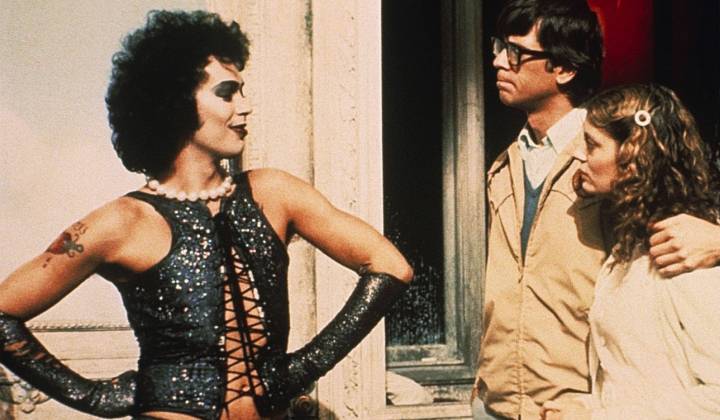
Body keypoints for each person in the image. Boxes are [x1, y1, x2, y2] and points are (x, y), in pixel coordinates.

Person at [0, 10, 412, 420]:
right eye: (227, 93)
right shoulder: (125, 221)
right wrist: (94, 397)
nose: (246, 107)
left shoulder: (274, 193)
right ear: (175, 103)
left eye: (242, 92)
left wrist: (305, 367)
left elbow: (390, 266)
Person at [474, 1, 720, 418]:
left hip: (583, 406)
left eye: (516, 52)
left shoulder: (614, 163)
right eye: (499, 46)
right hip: (502, 405)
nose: (499, 61)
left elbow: (702, 266)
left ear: (564, 69)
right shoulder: (504, 167)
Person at [540, 83, 720, 419]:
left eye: (592, 144)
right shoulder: (629, 250)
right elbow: (635, 378)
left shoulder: (686, 255)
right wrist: (586, 406)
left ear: (632, 158)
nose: (578, 154)